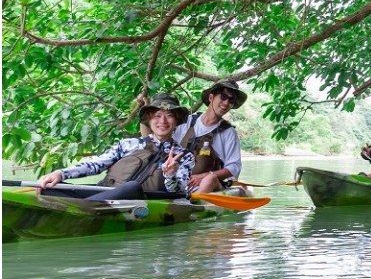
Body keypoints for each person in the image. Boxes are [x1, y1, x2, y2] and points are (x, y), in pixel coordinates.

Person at [38, 93, 195, 199]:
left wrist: (170, 175)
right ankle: (88, 206)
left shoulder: (184, 156)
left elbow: (179, 192)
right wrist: (61, 173)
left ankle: (85, 208)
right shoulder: (129, 144)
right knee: (49, 188)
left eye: (169, 116)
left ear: (176, 121)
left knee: (132, 187)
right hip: (106, 194)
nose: (162, 121)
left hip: (143, 201)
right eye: (157, 116)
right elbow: (96, 164)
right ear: (149, 119)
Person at [176, 80, 247, 194]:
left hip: (210, 186)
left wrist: (205, 176)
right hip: (178, 182)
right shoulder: (187, 121)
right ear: (211, 97)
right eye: (223, 97)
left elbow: (234, 167)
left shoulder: (228, 132)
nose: (226, 103)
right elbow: (157, 138)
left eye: (231, 100)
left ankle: (194, 205)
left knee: (210, 179)